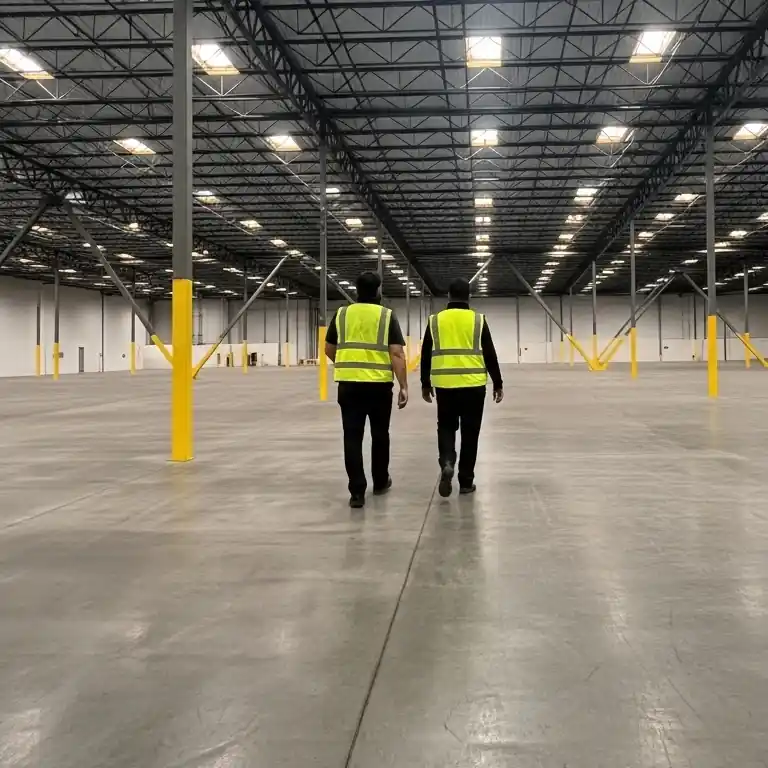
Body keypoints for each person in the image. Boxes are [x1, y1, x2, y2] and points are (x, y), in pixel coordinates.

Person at [326, 271, 409, 509]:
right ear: (378, 291)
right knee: (380, 435)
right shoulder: (386, 315)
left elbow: (329, 348)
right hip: (379, 386)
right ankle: (380, 481)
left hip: (349, 386)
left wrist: (347, 365)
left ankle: (357, 492)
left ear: (357, 290)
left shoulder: (342, 314)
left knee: (352, 437)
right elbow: (396, 353)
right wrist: (403, 385)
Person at [421, 277, 503, 497]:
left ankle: (447, 460)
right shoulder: (478, 320)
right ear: (469, 296)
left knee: (446, 426)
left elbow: (425, 353)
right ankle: (466, 481)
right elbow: (489, 352)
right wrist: (498, 382)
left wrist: (425, 384)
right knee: (470, 433)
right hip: (474, 386)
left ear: (448, 296)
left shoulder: (435, 320)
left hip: (445, 386)